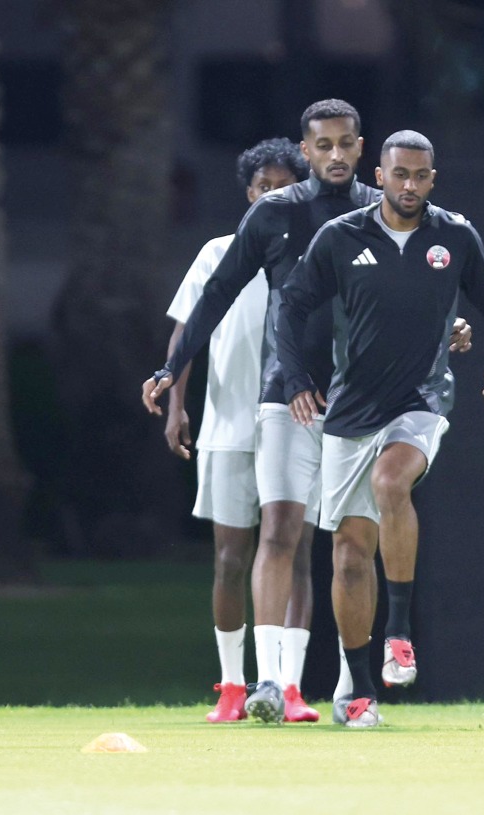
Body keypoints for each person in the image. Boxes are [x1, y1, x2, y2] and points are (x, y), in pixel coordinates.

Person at [142, 100, 471, 724]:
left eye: (347, 144)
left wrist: (448, 324)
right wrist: (170, 368)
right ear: (307, 149)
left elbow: (427, 286)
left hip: (365, 401)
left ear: (361, 146)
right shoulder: (274, 215)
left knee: (352, 546)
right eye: (324, 145)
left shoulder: (386, 209)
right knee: (280, 531)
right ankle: (269, 682)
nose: (337, 155)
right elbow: (215, 295)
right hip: (286, 397)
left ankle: (354, 687)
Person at [277, 130, 484, 728]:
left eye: (420, 176)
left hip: (422, 398)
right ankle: (358, 691)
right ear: (378, 176)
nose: (409, 185)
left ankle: (400, 632)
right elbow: (292, 305)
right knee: (350, 557)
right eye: (399, 175)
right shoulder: (341, 238)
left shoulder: (454, 236)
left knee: (392, 483)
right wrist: (295, 378)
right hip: (352, 408)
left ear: (432, 179)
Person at [161, 138, 310, 723]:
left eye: (280, 186)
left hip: (297, 423)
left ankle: (289, 687)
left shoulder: (312, 252)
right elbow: (186, 334)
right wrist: (177, 406)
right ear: (247, 193)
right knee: (229, 557)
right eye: (261, 186)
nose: (269, 194)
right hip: (228, 424)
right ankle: (231, 685)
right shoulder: (218, 253)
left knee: (296, 554)